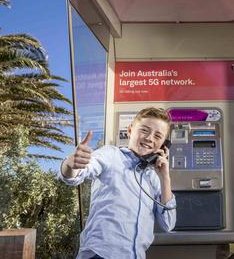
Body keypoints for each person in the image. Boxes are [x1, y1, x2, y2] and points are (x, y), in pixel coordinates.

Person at [59, 107, 176, 259]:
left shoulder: (154, 178)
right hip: (100, 254)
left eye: (158, 136)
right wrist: (70, 165)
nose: (149, 138)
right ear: (130, 130)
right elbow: (75, 175)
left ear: (163, 145)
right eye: (144, 130)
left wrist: (165, 178)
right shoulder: (110, 154)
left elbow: (168, 224)